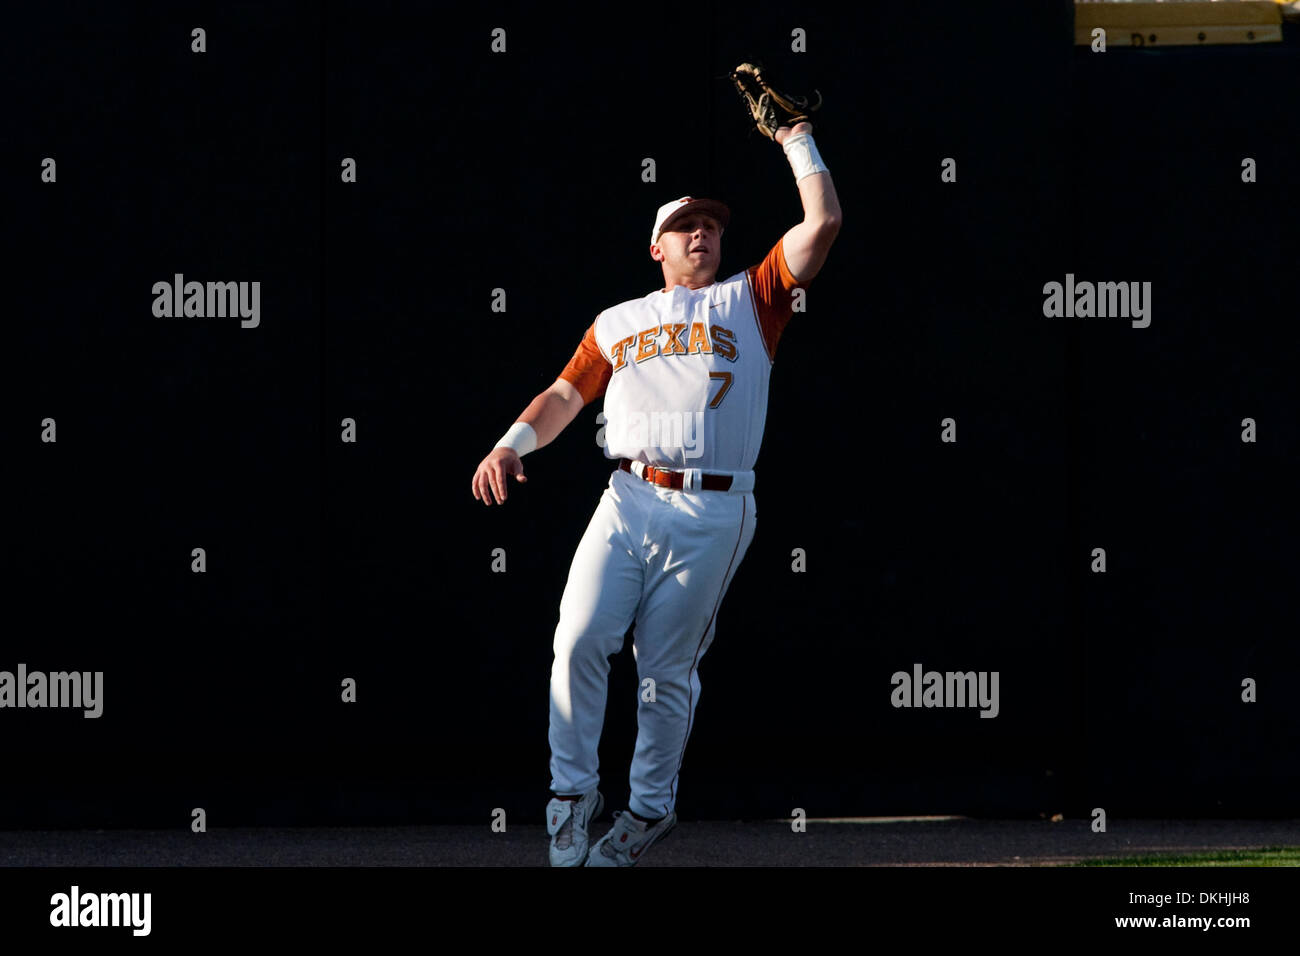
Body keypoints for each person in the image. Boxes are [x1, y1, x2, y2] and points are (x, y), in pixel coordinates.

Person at [471, 121, 841, 866]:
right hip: (629, 495)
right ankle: (571, 798)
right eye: (684, 227)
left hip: (715, 509)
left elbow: (823, 222)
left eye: (709, 225)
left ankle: (646, 811)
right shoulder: (619, 320)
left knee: (664, 671)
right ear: (657, 248)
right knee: (576, 639)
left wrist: (797, 140)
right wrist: (511, 444)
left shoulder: (752, 297)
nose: (701, 235)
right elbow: (565, 396)